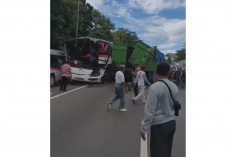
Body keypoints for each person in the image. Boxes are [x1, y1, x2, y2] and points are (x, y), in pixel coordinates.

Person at [140, 62, 178, 157]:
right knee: (167, 151)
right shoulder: (174, 86)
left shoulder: (154, 88)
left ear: (156, 72)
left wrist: (144, 129)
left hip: (159, 126)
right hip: (171, 123)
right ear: (169, 72)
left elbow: (149, 111)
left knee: (157, 153)